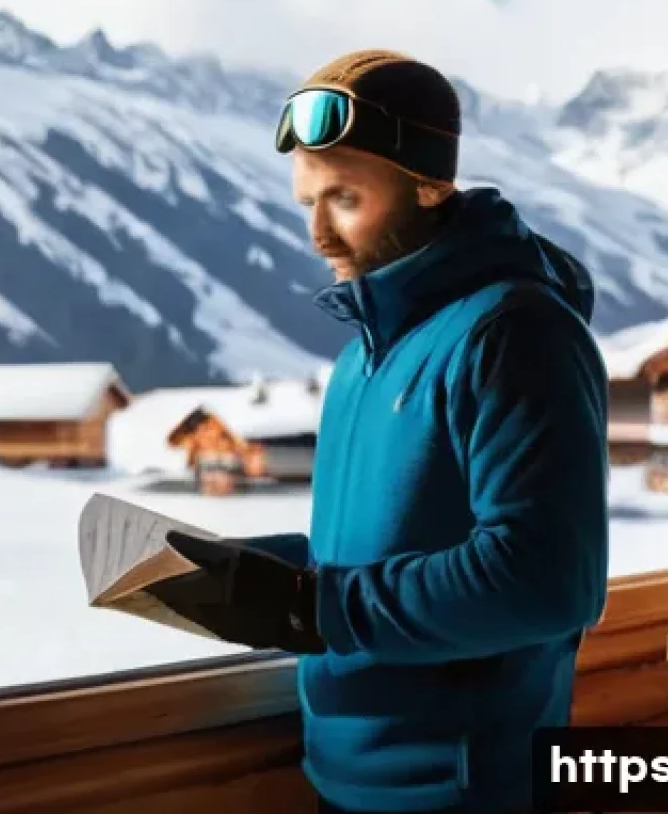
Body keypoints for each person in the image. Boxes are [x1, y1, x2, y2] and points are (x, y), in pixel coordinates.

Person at [164, 50, 610, 813]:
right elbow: (382, 555)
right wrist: (252, 575)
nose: (316, 233)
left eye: (343, 198)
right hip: (341, 778)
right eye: (306, 200)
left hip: (463, 791)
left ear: (430, 182)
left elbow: (546, 582)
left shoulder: (515, 333)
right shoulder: (358, 360)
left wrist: (314, 605)